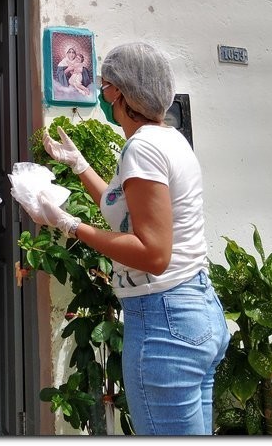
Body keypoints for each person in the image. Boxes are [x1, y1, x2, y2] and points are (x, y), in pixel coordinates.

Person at [22, 41, 229, 436]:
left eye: (103, 85)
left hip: (164, 319)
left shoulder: (144, 149)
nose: (100, 94)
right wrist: (80, 165)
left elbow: (152, 253)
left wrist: (68, 224)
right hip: (195, 310)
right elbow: (123, 211)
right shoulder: (167, 139)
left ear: (119, 90)